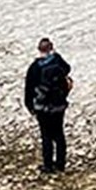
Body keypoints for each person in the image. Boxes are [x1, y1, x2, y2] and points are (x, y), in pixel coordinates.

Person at [24, 37, 72, 174]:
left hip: (42, 107)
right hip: (59, 105)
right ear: (51, 48)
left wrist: (29, 105)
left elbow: (29, 88)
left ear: (39, 50)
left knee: (46, 136)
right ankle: (61, 164)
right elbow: (68, 69)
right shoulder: (57, 60)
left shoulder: (34, 67)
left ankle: (48, 165)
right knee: (59, 134)